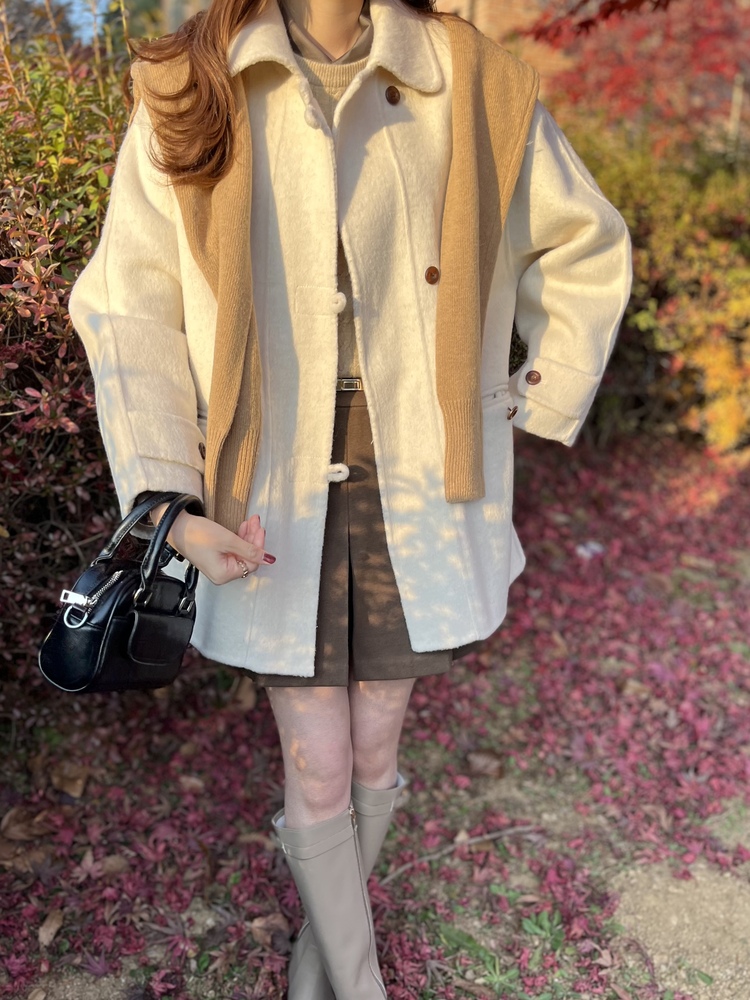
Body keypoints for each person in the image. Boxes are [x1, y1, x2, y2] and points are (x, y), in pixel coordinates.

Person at [67, 0, 632, 994]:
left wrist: (532, 397)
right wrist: (169, 498)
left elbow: (584, 242)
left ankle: (322, 959)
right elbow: (131, 306)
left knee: (374, 748)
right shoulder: (189, 82)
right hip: (266, 479)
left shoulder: (472, 76)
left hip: (421, 471)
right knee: (320, 762)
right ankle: (355, 980)